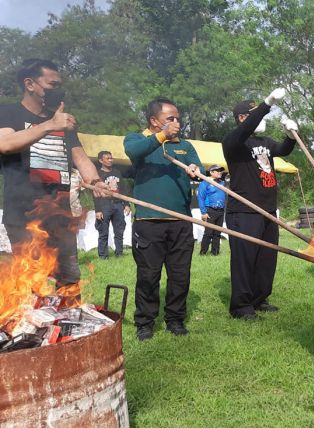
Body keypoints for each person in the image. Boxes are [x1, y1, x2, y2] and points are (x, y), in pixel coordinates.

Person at [0, 59, 108, 294]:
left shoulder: (63, 121)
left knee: (68, 278)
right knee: (30, 279)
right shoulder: (8, 112)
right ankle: (32, 327)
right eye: (52, 84)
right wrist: (49, 125)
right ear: (30, 84)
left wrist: (97, 182)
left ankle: (70, 324)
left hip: (60, 214)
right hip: (23, 214)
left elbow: (79, 157)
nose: (57, 90)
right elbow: (5, 144)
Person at [124, 97, 203, 340]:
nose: (176, 123)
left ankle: (175, 319)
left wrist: (195, 170)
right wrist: (162, 136)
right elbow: (134, 152)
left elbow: (196, 166)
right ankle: (145, 322)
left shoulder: (185, 145)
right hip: (149, 221)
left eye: (178, 118)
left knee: (180, 274)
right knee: (148, 275)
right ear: (154, 121)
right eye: (170, 118)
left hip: (181, 221)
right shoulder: (137, 139)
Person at [222, 88, 297, 320]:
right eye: (255, 115)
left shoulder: (264, 142)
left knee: (266, 257)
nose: (262, 119)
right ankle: (242, 306)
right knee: (245, 258)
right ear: (243, 118)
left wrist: (290, 136)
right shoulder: (233, 142)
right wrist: (267, 104)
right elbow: (244, 130)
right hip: (244, 210)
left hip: (268, 210)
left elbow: (283, 150)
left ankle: (259, 298)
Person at [93, 150, 130, 259]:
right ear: (101, 160)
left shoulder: (117, 172)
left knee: (119, 231)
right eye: (107, 158)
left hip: (118, 204)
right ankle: (103, 256)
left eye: (111, 158)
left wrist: (126, 204)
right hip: (104, 205)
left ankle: (119, 253)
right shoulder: (98, 174)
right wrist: (98, 210)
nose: (110, 160)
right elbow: (95, 193)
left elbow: (123, 189)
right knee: (103, 232)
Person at [197, 164, 227, 256]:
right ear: (211, 172)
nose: (219, 172)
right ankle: (203, 253)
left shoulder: (222, 183)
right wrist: (203, 212)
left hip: (221, 211)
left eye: (220, 170)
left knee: (217, 233)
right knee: (208, 233)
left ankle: (215, 253)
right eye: (217, 170)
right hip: (210, 210)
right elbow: (201, 198)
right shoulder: (205, 182)